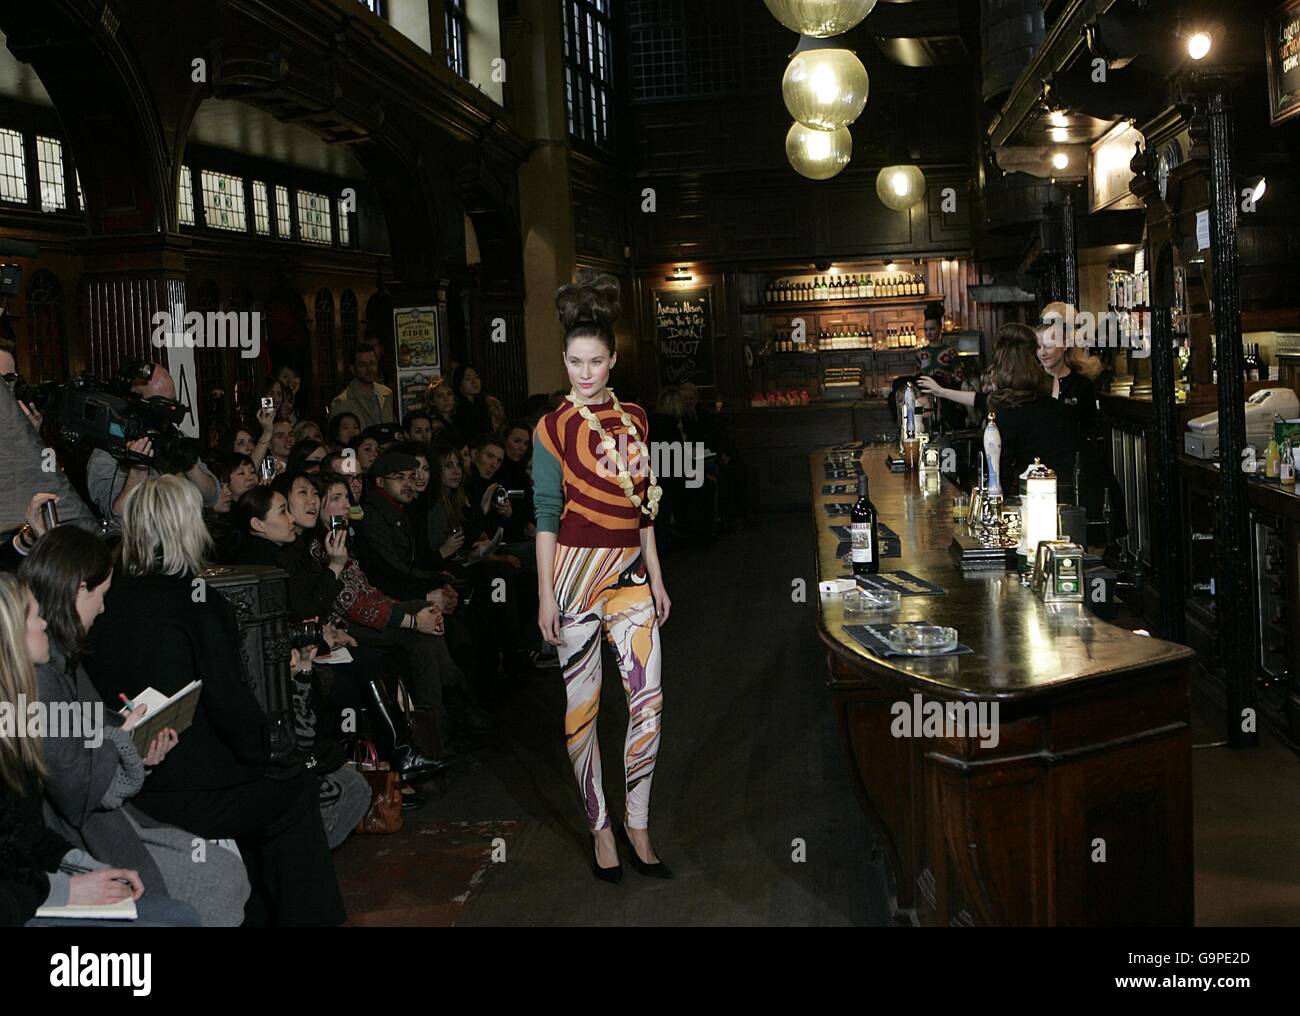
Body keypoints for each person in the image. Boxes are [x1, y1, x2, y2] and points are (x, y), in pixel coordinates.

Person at [81, 476, 347, 926]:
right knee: (293, 790)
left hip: (122, 776)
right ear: (189, 527)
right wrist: (266, 752)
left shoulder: (106, 599)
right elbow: (232, 707)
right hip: (184, 786)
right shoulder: (198, 602)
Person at [21, 527, 251, 926]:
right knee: (218, 878)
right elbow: (73, 782)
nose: (104, 609)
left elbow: (91, 733)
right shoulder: (42, 671)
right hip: (76, 835)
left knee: (222, 870)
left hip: (102, 822)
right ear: (78, 590)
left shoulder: (61, 657)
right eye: (101, 596)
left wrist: (134, 742)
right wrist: (127, 742)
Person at [533, 270, 672, 882]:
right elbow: (543, 515)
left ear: (612, 361)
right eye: (574, 362)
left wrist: (658, 577)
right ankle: (601, 828)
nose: (584, 373)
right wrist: (543, 596)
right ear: (564, 361)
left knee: (648, 703)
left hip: (632, 574)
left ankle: (638, 821)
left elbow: (644, 507)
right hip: (570, 576)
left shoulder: (637, 418)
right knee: (582, 709)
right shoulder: (551, 427)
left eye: (595, 362)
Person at [0, 572, 201, 927]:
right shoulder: (35, 698)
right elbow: (79, 789)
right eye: (33, 615)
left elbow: (25, 837)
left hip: (43, 879)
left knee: (181, 908)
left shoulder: (24, 707)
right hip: (26, 899)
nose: (44, 621)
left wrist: (89, 868)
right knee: (177, 912)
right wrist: (64, 890)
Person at [85, 363, 222, 522]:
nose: (172, 411)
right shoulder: (107, 453)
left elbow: (212, 497)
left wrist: (188, 464)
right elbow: (118, 520)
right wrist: (138, 470)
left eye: (173, 401)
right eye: (162, 405)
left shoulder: (173, 436)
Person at [330, 343, 396, 429]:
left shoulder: (387, 393)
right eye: (362, 365)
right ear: (353, 369)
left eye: (372, 363)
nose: (369, 369)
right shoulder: (342, 402)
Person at [451, 365, 494, 439]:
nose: (474, 382)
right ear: (459, 384)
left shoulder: (483, 403)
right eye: (468, 379)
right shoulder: (455, 407)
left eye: (476, 377)